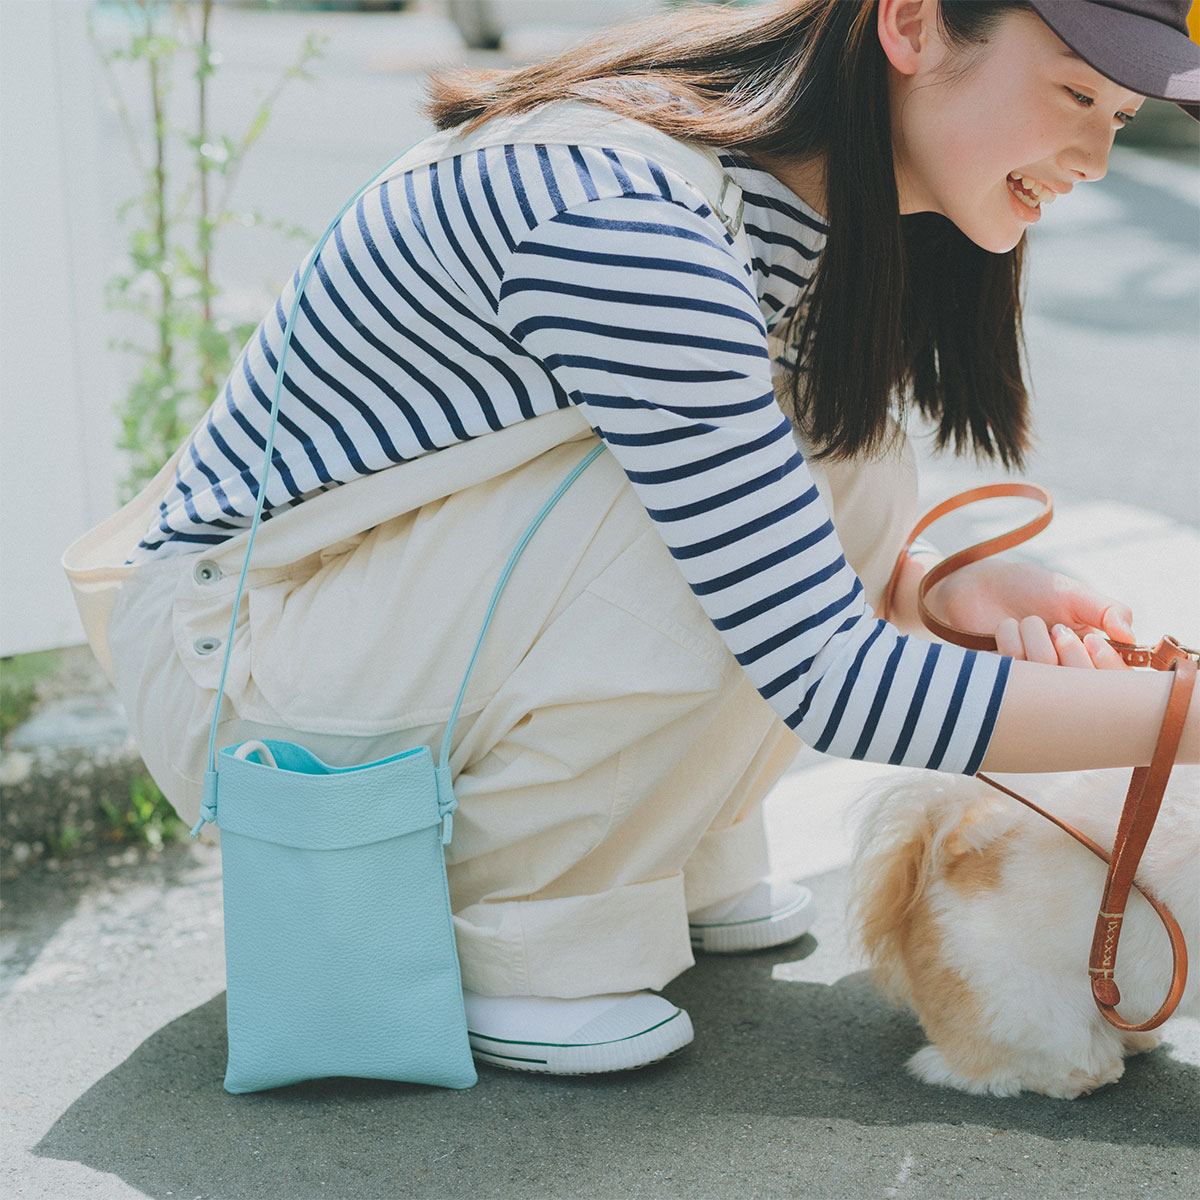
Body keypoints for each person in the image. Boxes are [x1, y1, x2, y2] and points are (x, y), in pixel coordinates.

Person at [65, 0, 1200, 1076]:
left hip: (366, 631)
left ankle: (654, 858)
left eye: (1120, 116)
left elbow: (775, 544)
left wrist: (927, 588)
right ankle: (516, 924)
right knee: (737, 480)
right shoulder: (621, 213)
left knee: (846, 458)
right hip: (250, 679)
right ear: (909, 22)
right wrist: (1181, 724)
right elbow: (827, 679)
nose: (1095, 157)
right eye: (1071, 93)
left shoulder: (792, 194)